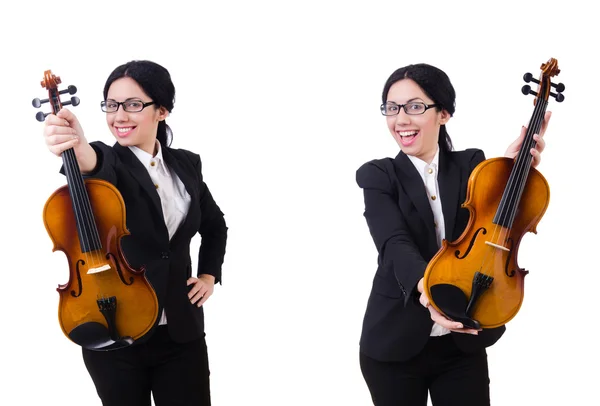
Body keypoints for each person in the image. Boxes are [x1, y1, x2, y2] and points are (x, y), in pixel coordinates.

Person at [356, 63, 550, 406]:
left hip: (462, 344)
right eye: (391, 107)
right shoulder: (378, 175)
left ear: (443, 113)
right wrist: (430, 295)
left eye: (415, 107)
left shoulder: (472, 165)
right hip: (394, 347)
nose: (400, 119)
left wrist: (511, 170)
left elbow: (491, 223)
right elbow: (394, 244)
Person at [42, 60, 227, 406]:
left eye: (132, 105)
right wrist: (77, 145)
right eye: (111, 105)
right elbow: (93, 162)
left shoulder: (187, 165)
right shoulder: (110, 163)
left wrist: (208, 275)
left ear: (163, 110)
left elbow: (214, 225)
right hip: (115, 330)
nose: (119, 116)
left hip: (182, 331)